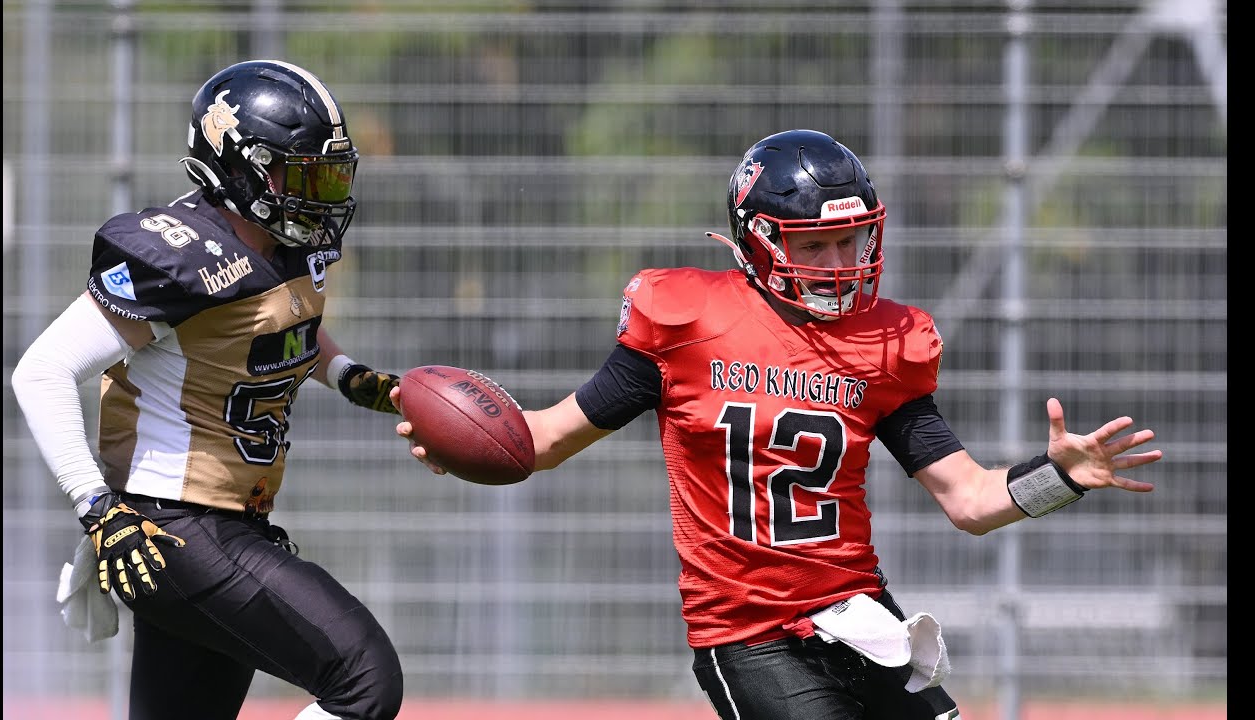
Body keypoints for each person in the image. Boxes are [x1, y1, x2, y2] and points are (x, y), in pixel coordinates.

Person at [392, 129, 1162, 720]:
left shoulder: (884, 346)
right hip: (747, 633)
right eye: (813, 244)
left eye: (848, 240)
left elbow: (969, 499)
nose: (837, 262)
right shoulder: (682, 320)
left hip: (861, 617)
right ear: (759, 242)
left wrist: (1060, 477)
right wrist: (462, 441)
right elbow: (547, 438)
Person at [11, 60, 405, 720]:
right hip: (169, 531)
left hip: (224, 525)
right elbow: (43, 371)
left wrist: (345, 375)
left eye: (331, 175)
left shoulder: (287, 245)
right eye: (302, 174)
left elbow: (281, 325)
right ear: (241, 165)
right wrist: (97, 508)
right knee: (363, 679)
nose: (321, 193)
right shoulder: (183, 254)